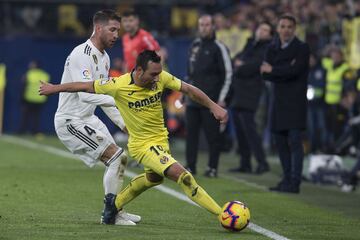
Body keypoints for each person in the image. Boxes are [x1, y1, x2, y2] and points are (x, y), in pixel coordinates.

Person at [39, 50, 228, 224]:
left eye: (158, 73)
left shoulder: (161, 77)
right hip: (142, 146)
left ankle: (113, 206)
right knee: (184, 177)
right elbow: (84, 86)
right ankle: (223, 215)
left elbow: (188, 89)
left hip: (161, 141)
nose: (157, 78)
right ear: (138, 70)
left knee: (154, 179)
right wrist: (54, 88)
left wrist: (213, 106)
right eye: (152, 74)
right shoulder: (118, 85)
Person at [52, 9, 140, 225]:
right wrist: (120, 101)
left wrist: (123, 124)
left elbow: (104, 95)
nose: (116, 35)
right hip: (71, 120)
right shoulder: (81, 54)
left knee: (120, 159)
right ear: (98, 28)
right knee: (116, 157)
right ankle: (111, 215)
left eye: (118, 31)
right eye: (112, 29)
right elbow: (85, 95)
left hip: (88, 118)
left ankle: (115, 210)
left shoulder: (105, 58)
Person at [261, 15, 310, 193]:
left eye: (290, 26)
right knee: (280, 143)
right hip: (278, 101)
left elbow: (295, 71)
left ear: (294, 29)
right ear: (278, 28)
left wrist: (274, 70)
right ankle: (287, 179)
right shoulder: (271, 48)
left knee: (295, 143)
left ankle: (295, 182)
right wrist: (283, 70)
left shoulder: (302, 48)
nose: (286, 30)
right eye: (283, 26)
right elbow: (264, 74)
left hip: (296, 102)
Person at [185, 14, 232, 177]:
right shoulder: (195, 45)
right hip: (192, 100)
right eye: (201, 25)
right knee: (190, 136)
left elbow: (228, 74)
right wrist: (183, 95)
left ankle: (212, 167)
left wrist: (222, 99)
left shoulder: (219, 47)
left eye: (207, 25)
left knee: (213, 137)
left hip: (211, 101)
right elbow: (190, 73)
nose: (204, 28)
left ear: (213, 27)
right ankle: (190, 166)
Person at [228, 22, 273, 174]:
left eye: (266, 30)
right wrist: (241, 64)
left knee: (250, 128)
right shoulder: (250, 44)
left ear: (270, 34)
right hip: (239, 90)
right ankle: (245, 163)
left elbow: (254, 65)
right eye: (261, 28)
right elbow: (236, 59)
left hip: (252, 90)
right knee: (240, 128)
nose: (262, 31)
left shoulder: (267, 48)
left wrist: (241, 66)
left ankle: (262, 162)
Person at [19, 60, 50, 134]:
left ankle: (22, 131)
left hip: (29, 98)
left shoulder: (29, 74)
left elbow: (23, 85)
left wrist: (22, 97)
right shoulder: (45, 75)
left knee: (25, 116)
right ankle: (35, 132)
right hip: (40, 99)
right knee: (36, 117)